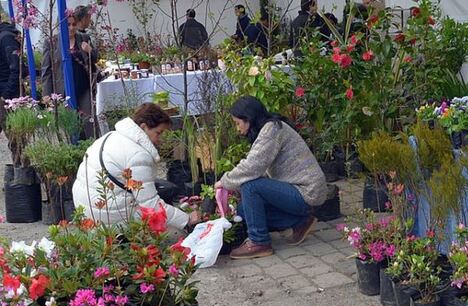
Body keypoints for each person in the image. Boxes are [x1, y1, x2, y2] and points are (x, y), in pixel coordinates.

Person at [215, 96, 327, 259]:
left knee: (250, 186)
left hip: (306, 192)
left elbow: (252, 166)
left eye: (237, 123)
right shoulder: (268, 129)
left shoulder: (272, 130)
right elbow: (259, 169)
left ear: (248, 119)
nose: (237, 129)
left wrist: (224, 182)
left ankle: (259, 242)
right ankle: (300, 222)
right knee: (242, 211)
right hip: (297, 190)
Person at [72, 103, 201, 231]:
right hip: (108, 218)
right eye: (159, 133)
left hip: (86, 210)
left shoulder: (111, 136)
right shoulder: (138, 155)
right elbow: (150, 204)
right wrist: (186, 219)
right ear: (143, 127)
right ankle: (127, 240)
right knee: (156, 214)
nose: (160, 139)